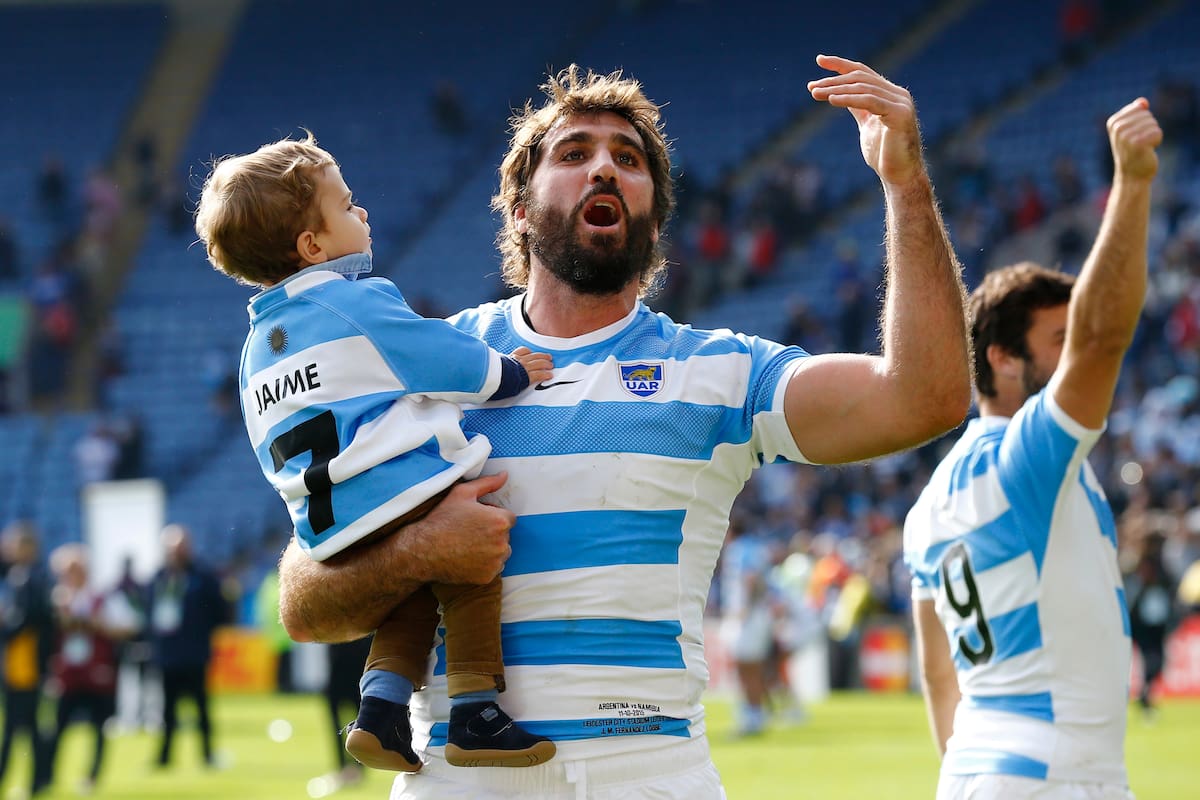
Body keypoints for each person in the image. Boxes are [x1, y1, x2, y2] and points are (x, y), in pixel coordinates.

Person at [277, 55, 972, 800]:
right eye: (574, 154)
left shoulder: (722, 373)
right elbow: (304, 603)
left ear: (654, 213)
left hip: (649, 773)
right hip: (460, 779)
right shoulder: (427, 370)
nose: (604, 168)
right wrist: (416, 549)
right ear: (518, 206)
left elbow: (924, 398)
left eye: (627, 159)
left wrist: (906, 185)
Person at [192, 134, 556, 773]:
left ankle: (381, 709)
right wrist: (512, 373)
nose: (362, 214)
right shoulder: (354, 301)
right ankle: (475, 710)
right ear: (313, 246)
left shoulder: (255, 350)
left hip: (326, 520)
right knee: (469, 565)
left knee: (412, 589)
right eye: (347, 204)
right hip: (392, 483)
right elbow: (441, 359)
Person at [903, 98, 1162, 799]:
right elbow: (1105, 337)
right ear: (1004, 360)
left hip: (977, 770)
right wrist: (1134, 182)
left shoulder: (925, 507)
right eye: (1059, 339)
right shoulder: (1028, 457)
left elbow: (936, 674)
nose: (1076, 351)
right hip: (1057, 775)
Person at [42, 544, 137, 795]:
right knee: (56, 728)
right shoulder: (55, 599)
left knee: (99, 728)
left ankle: (92, 776)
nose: (70, 575)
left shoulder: (103, 597)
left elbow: (129, 626)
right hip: (68, 674)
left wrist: (99, 624)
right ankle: (46, 776)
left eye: (75, 569)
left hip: (98, 673)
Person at [146, 524, 230, 769]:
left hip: (194, 652)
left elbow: (219, 610)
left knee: (201, 708)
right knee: (166, 710)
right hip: (167, 654)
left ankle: (207, 754)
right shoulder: (158, 577)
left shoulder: (202, 576)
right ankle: (164, 757)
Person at [0, 522, 54, 796]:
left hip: (27, 663)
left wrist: (5, 624)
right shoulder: (23, 576)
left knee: (17, 728)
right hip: (22, 663)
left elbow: (28, 620)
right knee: (28, 727)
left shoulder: (29, 577)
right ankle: (40, 781)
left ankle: (35, 781)